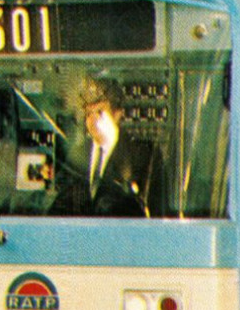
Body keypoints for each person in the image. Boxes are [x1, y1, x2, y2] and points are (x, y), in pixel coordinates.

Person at [49, 78, 165, 216]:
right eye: (88, 114)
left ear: (117, 114)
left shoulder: (143, 155)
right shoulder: (78, 154)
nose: (93, 121)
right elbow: (59, 206)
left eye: (100, 112)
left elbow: (153, 212)